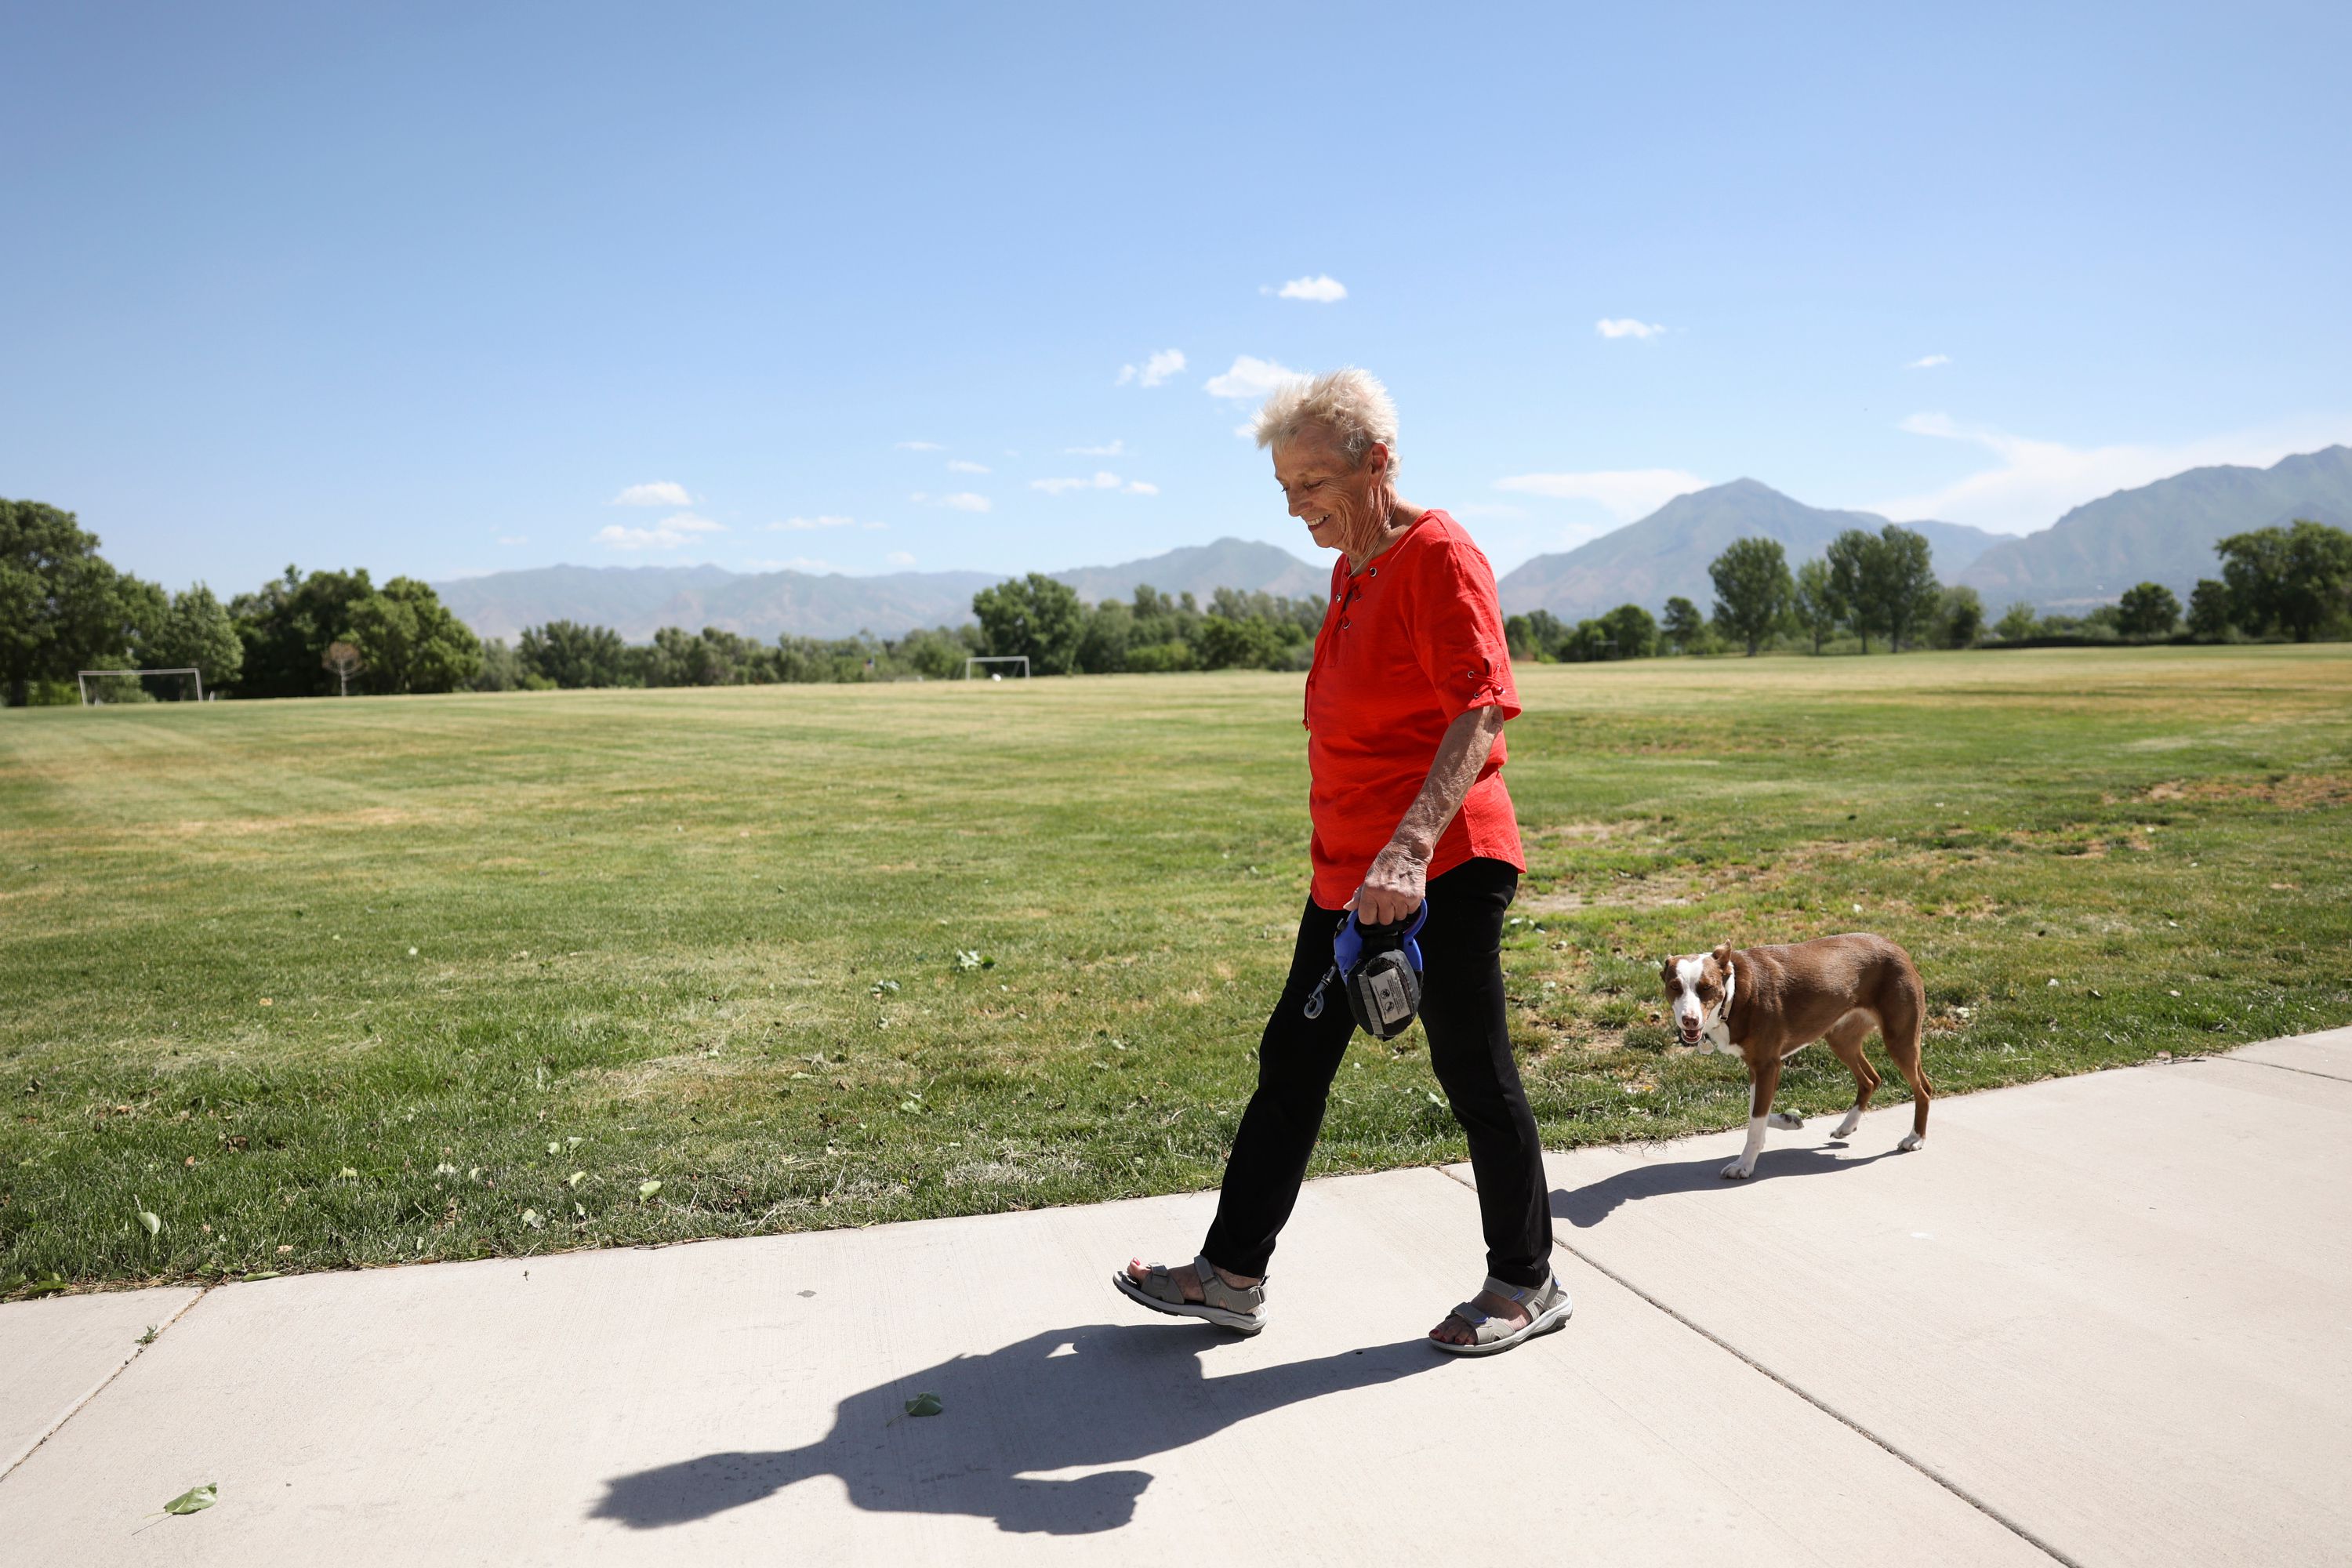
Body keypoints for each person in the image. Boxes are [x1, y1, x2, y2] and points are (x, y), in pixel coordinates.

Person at [1115, 368, 1567, 1355]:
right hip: (1351, 878)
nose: (1296, 505)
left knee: (1470, 1063)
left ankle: (1527, 1278)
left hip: (1438, 861)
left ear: (1378, 461)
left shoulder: (1438, 553)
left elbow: (1479, 703)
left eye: (1313, 482)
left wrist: (1408, 847)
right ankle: (1231, 1276)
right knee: (1293, 1060)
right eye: (1284, 488)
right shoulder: (1351, 568)